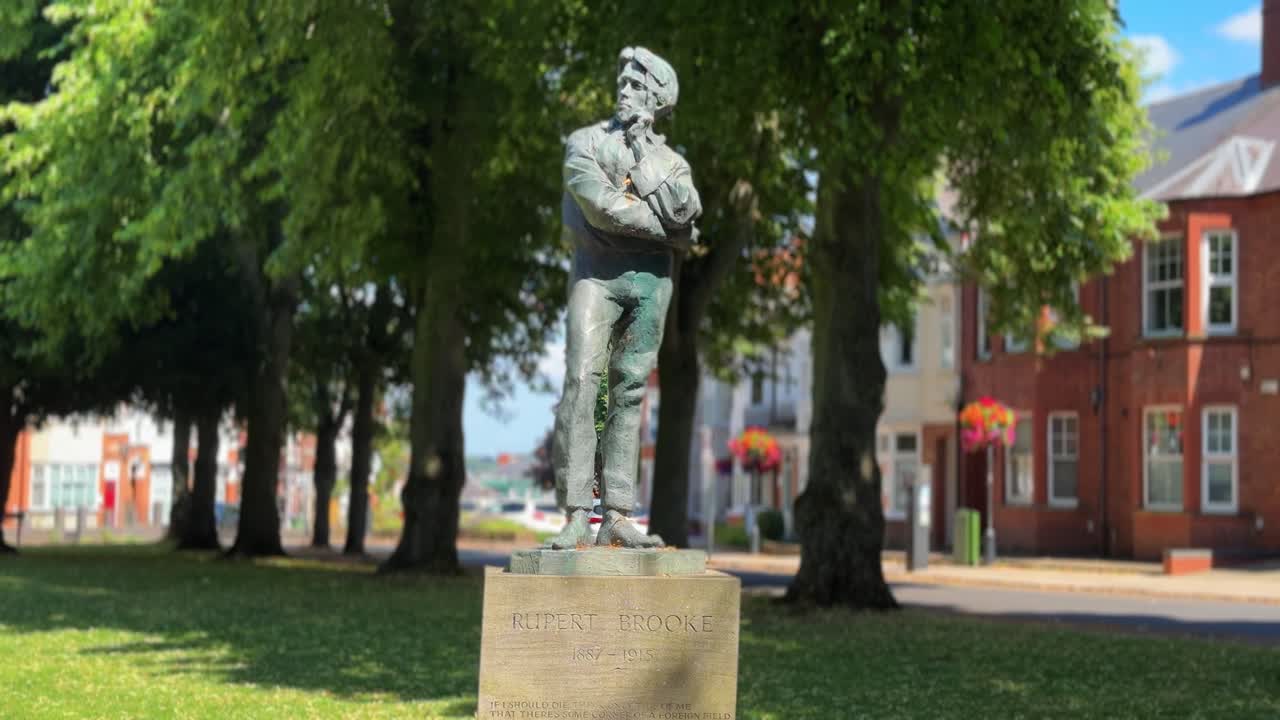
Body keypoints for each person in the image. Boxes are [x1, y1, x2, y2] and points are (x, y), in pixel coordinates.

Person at [547, 47, 701, 550]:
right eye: (624, 82)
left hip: (652, 282)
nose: (625, 90)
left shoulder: (671, 162)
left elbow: (685, 210)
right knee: (582, 380)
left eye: (638, 86)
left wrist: (643, 151)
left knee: (631, 389)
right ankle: (576, 513)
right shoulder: (584, 143)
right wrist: (670, 233)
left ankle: (617, 513)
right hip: (595, 275)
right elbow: (602, 208)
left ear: (657, 100)